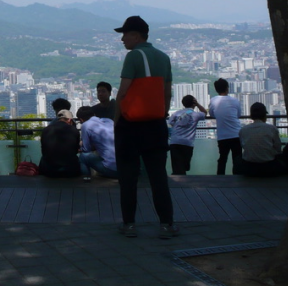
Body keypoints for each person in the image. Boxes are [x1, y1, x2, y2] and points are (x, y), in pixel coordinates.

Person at [113, 15, 178, 239]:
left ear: (136, 35)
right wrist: (162, 113)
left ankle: (129, 225)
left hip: (131, 125)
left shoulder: (133, 56)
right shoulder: (164, 57)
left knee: (128, 178)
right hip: (156, 125)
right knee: (158, 177)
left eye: (125, 34)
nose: (122, 39)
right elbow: (167, 92)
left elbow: (123, 92)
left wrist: (116, 121)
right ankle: (167, 225)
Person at [239, 102, 288, 177]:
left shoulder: (243, 130)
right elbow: (278, 148)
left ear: (251, 116)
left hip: (249, 168)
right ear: (265, 115)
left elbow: (243, 145)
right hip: (268, 167)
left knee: (237, 159)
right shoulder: (272, 129)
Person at [210, 78, 242, 175]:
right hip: (236, 134)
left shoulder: (213, 100)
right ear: (227, 88)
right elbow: (238, 115)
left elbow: (212, 114)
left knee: (222, 159)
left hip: (222, 136)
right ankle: (238, 177)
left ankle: (220, 178)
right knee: (237, 159)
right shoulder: (235, 101)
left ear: (216, 89)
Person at [168, 95, 207, 175]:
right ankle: (182, 178)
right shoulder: (196, 115)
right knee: (185, 165)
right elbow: (205, 113)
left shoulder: (176, 113)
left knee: (177, 165)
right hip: (187, 143)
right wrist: (197, 104)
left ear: (183, 103)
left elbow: (171, 123)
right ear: (193, 103)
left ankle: (178, 179)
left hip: (175, 141)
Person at [76, 106, 118, 180]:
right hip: (126, 169)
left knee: (83, 157)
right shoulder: (109, 121)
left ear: (81, 120)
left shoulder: (86, 125)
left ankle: (86, 179)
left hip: (113, 170)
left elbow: (86, 150)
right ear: (94, 114)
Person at [39, 109, 81, 178]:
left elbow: (43, 151)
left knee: (43, 158)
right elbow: (76, 150)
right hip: (70, 171)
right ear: (69, 120)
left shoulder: (46, 130)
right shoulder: (74, 130)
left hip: (49, 171)